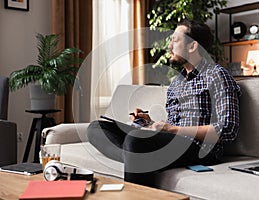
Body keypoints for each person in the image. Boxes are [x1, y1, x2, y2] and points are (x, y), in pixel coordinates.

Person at [87, 19, 241, 187]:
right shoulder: (176, 82)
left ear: (192, 46)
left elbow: (227, 129)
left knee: (136, 140)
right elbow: (171, 125)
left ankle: (137, 155)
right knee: (97, 128)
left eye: (175, 40)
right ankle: (136, 155)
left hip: (201, 147)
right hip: (173, 140)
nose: (169, 46)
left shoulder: (217, 75)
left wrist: (173, 129)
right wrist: (148, 122)